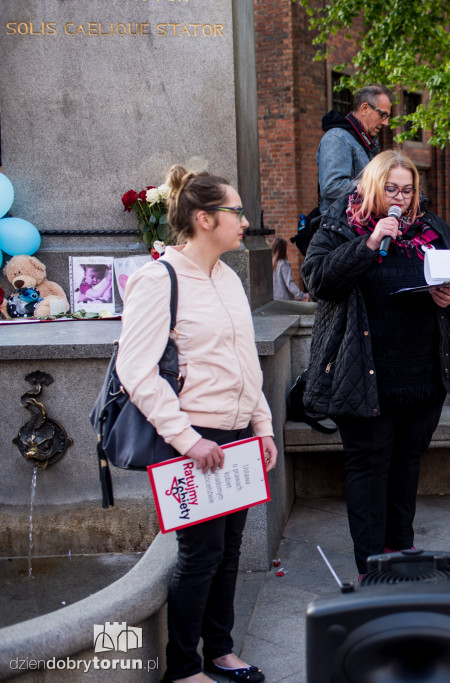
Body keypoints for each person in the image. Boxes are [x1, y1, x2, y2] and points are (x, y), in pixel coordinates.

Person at [117, 165, 278, 683]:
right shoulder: (157, 279)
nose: (245, 221)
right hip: (191, 440)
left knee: (229, 551)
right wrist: (187, 440)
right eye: (236, 211)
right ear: (205, 219)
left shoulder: (227, 276)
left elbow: (245, 358)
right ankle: (184, 669)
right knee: (199, 556)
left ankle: (221, 653)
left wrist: (263, 424)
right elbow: (136, 371)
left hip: (236, 436)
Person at [301, 150, 450, 578]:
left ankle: (401, 546)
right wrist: (369, 243)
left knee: (408, 460)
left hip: (421, 373)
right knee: (369, 464)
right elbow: (318, 280)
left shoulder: (432, 228)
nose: (400, 197)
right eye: (391, 188)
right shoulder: (340, 226)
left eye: (407, 189)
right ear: (370, 188)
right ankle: (371, 564)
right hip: (363, 373)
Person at [317, 85, 392, 214]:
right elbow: (331, 187)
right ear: (364, 109)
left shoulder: (367, 140)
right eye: (383, 115)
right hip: (341, 228)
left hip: (360, 223)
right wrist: (379, 186)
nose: (386, 123)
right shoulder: (337, 138)